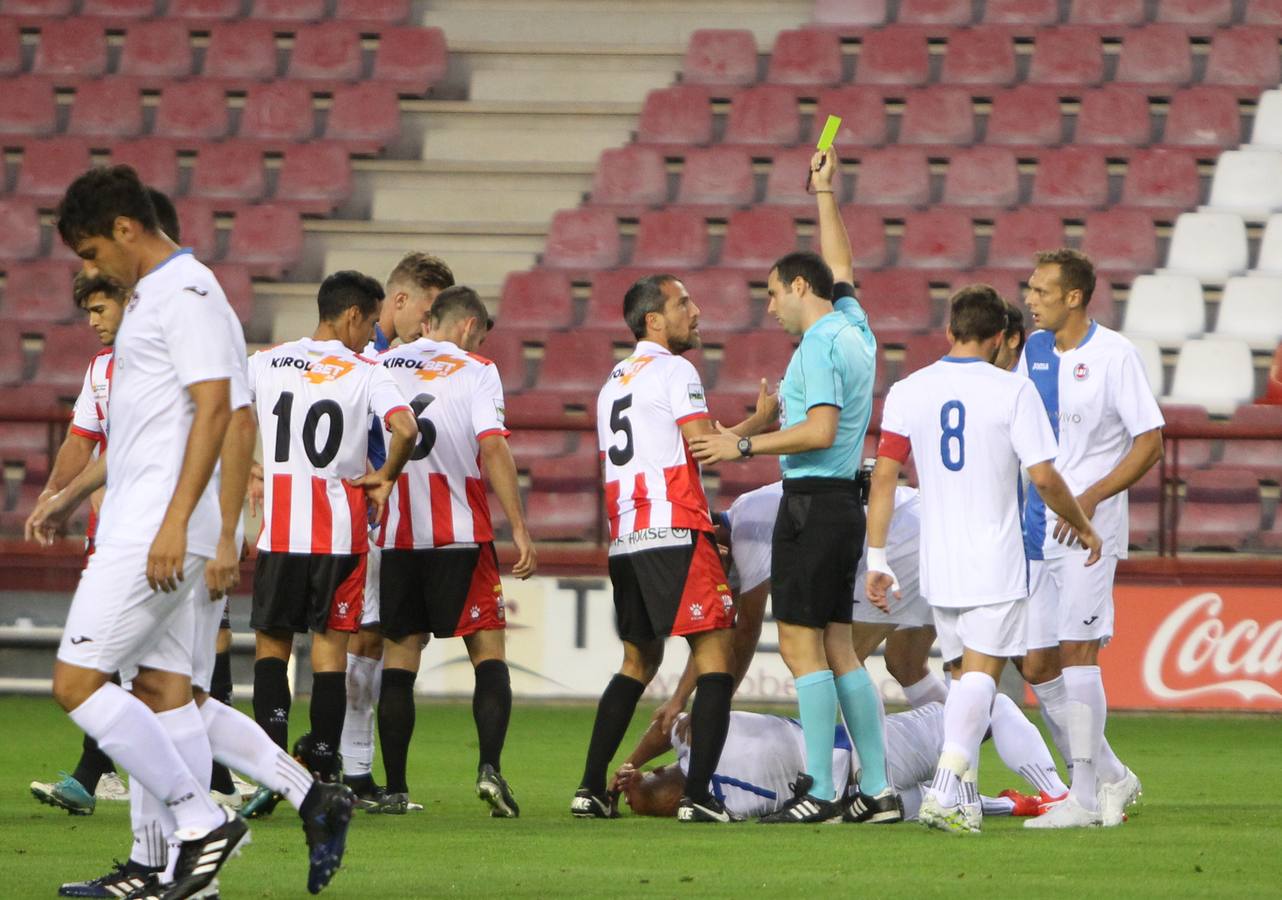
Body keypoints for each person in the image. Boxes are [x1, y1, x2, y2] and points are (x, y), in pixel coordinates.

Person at [41, 165, 248, 899]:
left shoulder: (183, 293)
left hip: (151, 531)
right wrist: (71, 495)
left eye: (93, 253)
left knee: (76, 681)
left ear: (126, 230)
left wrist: (174, 522)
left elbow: (218, 409)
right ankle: (169, 872)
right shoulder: (166, 295)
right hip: (144, 520)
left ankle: (202, 822)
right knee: (162, 687)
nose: (93, 271)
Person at [690, 150, 896, 825]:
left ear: (800, 289)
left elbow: (819, 428)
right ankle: (880, 790)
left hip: (813, 503)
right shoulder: (855, 328)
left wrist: (742, 443)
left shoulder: (815, 347)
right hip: (844, 504)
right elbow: (842, 268)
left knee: (803, 644)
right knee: (838, 644)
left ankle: (820, 789)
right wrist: (826, 191)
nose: (771, 305)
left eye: (774, 292)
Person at [866, 284, 1101, 834]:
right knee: (982, 677)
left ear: (949, 331)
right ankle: (947, 790)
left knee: (963, 675)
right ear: (1000, 338)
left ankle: (963, 795)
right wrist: (1084, 525)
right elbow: (1043, 476)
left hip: (936, 559)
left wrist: (877, 554)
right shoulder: (1012, 392)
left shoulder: (908, 389)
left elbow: (883, 476)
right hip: (995, 557)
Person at [572, 272, 777, 824]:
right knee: (715, 656)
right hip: (676, 532)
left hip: (627, 536)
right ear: (654, 321)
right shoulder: (676, 368)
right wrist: (758, 432)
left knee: (637, 661)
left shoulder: (612, 381)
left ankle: (589, 788)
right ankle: (699, 797)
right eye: (684, 302)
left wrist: (749, 424)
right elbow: (700, 445)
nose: (697, 310)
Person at [246, 271, 417, 797]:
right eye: (370, 323)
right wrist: (387, 475)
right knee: (328, 655)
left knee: (272, 650)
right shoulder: (366, 369)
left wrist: (255, 468)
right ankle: (320, 766)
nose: (372, 335)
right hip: (339, 538)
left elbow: (224, 416)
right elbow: (406, 427)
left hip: (279, 533)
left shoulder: (264, 361)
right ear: (350, 316)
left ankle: (272, 769)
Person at [369, 285, 536, 816]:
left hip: (397, 536)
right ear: (468, 327)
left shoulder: (380, 363)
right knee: (488, 656)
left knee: (400, 660)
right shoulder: (477, 368)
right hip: (462, 535)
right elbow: (493, 445)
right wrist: (520, 529)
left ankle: (395, 787)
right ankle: (490, 768)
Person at [1017, 249, 1164, 828]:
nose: (1031, 300)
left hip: (1088, 534)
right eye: (1030, 290)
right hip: (1036, 526)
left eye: (1042, 292)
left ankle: (1080, 797)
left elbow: (1150, 441)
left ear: (1074, 297)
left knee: (1079, 652)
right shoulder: (1032, 352)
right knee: (1035, 665)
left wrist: (1095, 498)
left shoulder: (1114, 355)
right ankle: (1112, 775)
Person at [342, 252, 456, 805]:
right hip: (358, 517)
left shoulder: (399, 360)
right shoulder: (368, 358)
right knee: (362, 637)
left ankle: (347, 764)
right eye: (427, 312)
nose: (429, 327)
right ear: (401, 300)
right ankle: (352, 768)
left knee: (376, 637)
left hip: (387, 520)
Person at [27, 273, 131, 816]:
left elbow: (125, 450)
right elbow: (82, 439)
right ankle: (99, 773)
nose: (92, 321)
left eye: (100, 308)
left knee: (141, 663)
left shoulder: (156, 361)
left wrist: (67, 497)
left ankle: (215, 778)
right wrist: (51, 493)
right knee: (108, 655)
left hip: (159, 529)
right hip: (112, 530)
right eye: (87, 311)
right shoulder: (102, 368)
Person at [616, 701, 1058, 823]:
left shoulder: (725, 804)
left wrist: (628, 775)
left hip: (856, 806)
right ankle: (1056, 793)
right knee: (988, 705)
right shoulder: (697, 735)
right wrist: (628, 763)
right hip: (874, 752)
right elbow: (669, 724)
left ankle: (1015, 805)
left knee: (930, 803)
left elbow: (666, 729)